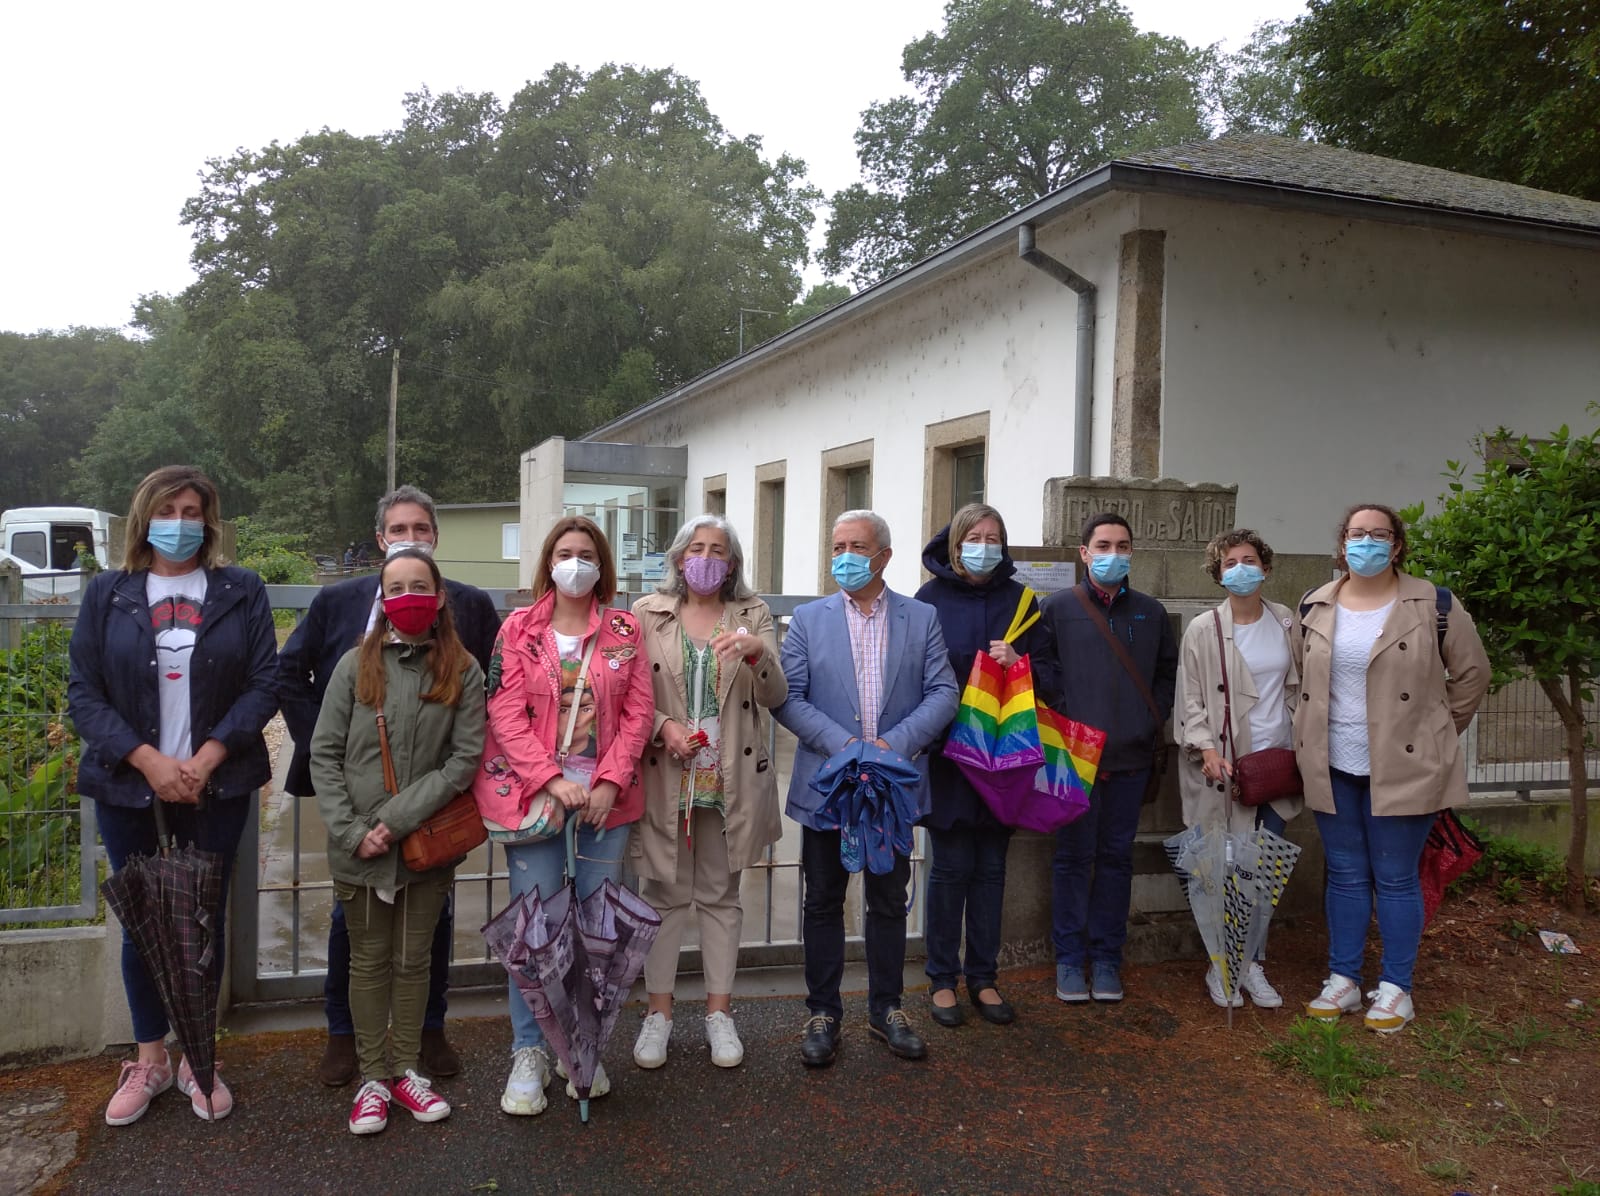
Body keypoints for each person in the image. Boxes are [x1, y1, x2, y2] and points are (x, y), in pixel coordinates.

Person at [67, 466, 278, 1126]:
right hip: (129, 785)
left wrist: (209, 754)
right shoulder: (110, 593)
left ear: (208, 521)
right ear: (145, 517)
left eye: (194, 510)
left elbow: (264, 681)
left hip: (217, 784)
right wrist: (149, 760)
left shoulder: (240, 590)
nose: (181, 522)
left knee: (201, 923)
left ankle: (198, 1057)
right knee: (143, 919)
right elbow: (85, 692)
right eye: (169, 508)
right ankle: (150, 1058)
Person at [276, 485, 501, 1086]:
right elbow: (290, 674)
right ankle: (346, 1038)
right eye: (397, 528)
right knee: (355, 930)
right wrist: (329, 746)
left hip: (436, 806)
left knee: (429, 926)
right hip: (356, 804)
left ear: (435, 537)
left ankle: (427, 1034)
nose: (409, 537)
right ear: (379, 539)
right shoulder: (338, 602)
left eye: (420, 528)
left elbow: (484, 703)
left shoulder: (470, 608)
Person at [476, 515, 654, 1115]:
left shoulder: (625, 629)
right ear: (548, 562)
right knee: (535, 928)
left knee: (596, 932)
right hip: (535, 801)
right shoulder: (518, 630)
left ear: (602, 564)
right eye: (563, 552)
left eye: (585, 553)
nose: (574, 562)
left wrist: (607, 782)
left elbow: (637, 713)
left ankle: (580, 1043)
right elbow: (504, 715)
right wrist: (549, 778)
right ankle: (529, 1048)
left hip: (608, 803)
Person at [774, 510, 960, 1067]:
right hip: (830, 785)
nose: (844, 557)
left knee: (887, 900)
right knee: (824, 899)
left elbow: (943, 693)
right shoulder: (807, 619)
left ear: (883, 556)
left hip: (891, 788)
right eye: (837, 546)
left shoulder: (920, 617)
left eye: (856, 546)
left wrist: (893, 745)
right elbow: (788, 696)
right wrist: (845, 746)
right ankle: (823, 1011)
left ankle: (886, 1008)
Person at [310, 548, 485, 1135]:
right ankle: (372, 1079)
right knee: (368, 961)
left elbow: (463, 761)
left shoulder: (462, 670)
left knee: (414, 961)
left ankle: (408, 1070)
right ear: (381, 600)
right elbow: (324, 755)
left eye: (420, 586)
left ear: (438, 598)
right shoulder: (351, 667)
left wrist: (396, 820)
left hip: (423, 847)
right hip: (357, 849)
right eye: (396, 587)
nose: (408, 596)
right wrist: (354, 830)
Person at [1295, 503, 1488, 1033]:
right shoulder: (1316, 604)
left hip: (1404, 767)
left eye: (1378, 535)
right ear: (1343, 544)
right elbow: (1302, 677)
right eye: (1357, 534)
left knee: (1397, 878)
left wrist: (1434, 732)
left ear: (1396, 545)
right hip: (1334, 762)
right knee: (1347, 876)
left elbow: (1472, 674)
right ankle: (1344, 981)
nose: (1367, 543)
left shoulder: (1434, 603)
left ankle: (1396, 988)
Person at [628, 516, 787, 1071]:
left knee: (721, 898)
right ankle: (659, 1015)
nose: (706, 559)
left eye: (718, 551)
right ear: (678, 558)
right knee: (663, 897)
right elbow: (626, 694)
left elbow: (775, 694)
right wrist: (661, 726)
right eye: (696, 549)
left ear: (733, 564)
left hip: (729, 780)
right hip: (666, 775)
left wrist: (755, 654)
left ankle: (719, 1014)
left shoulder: (754, 614)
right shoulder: (648, 613)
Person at [914, 504, 1052, 1028]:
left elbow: (1051, 671)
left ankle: (984, 977)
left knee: (992, 870)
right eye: (975, 536)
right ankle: (942, 979)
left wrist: (1020, 665)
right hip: (950, 755)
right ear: (955, 543)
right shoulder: (927, 601)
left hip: (1005, 757)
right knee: (948, 870)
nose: (985, 545)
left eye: (994, 537)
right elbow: (917, 674)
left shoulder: (1023, 602)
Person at [1037, 512, 1178, 1004]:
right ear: (1084, 552)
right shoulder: (1056, 608)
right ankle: (1070, 960)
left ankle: (1107, 958)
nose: (1112, 554)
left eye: (1121, 545)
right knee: (1073, 859)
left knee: (1117, 860)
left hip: (1131, 757)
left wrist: (1150, 715)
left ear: (1131, 552)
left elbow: (1166, 672)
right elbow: (1042, 671)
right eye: (1103, 545)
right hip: (1071, 757)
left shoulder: (1151, 612)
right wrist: (1068, 716)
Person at [1176, 528, 1302, 1010]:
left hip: (1277, 765)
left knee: (1266, 869)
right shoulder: (1203, 629)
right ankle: (1222, 963)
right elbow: (1189, 700)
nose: (1241, 569)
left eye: (1249, 560)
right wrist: (1205, 748)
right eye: (1230, 562)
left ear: (1265, 567)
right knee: (1224, 867)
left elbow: (1298, 686)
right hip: (1227, 767)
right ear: (1218, 573)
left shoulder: (1286, 621)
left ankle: (1251, 962)